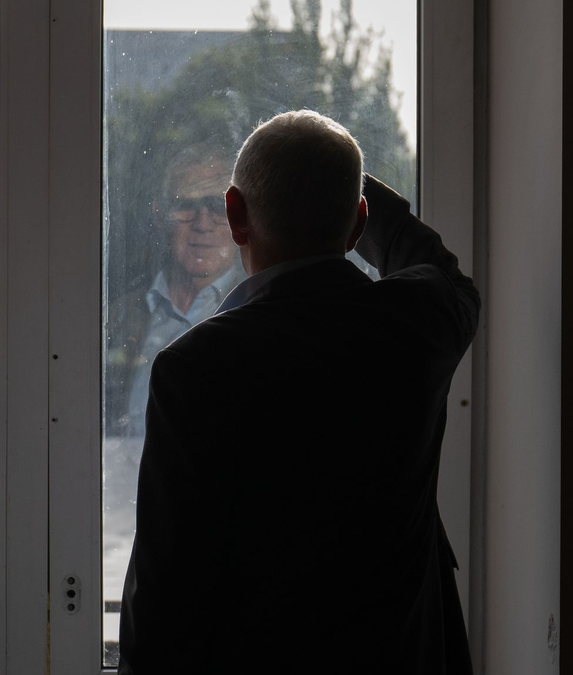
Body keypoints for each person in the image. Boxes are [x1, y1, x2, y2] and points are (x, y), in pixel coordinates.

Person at [119, 110, 478, 673]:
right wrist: (340, 185)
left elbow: (168, 581)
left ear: (234, 214)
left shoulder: (195, 366)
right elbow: (442, 271)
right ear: (358, 221)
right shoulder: (419, 322)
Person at [104, 144, 247, 437]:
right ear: (159, 214)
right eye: (186, 206)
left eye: (218, 207)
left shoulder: (257, 313)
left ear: (239, 216)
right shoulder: (115, 315)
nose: (202, 224)